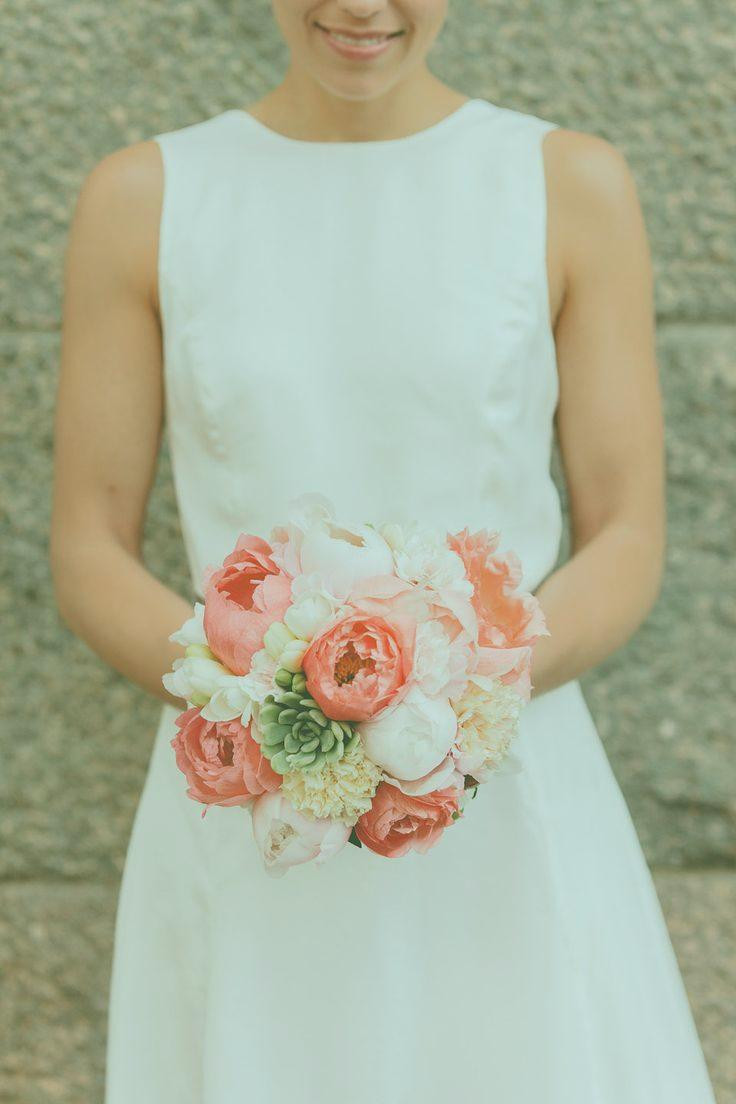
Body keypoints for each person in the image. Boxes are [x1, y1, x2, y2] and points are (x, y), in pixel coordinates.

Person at [49, 2, 718, 1101]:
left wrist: (450, 698)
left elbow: (627, 531)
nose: (363, 7)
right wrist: (278, 710)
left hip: (503, 799)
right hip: (250, 806)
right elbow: (87, 547)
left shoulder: (567, 184)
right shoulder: (144, 198)